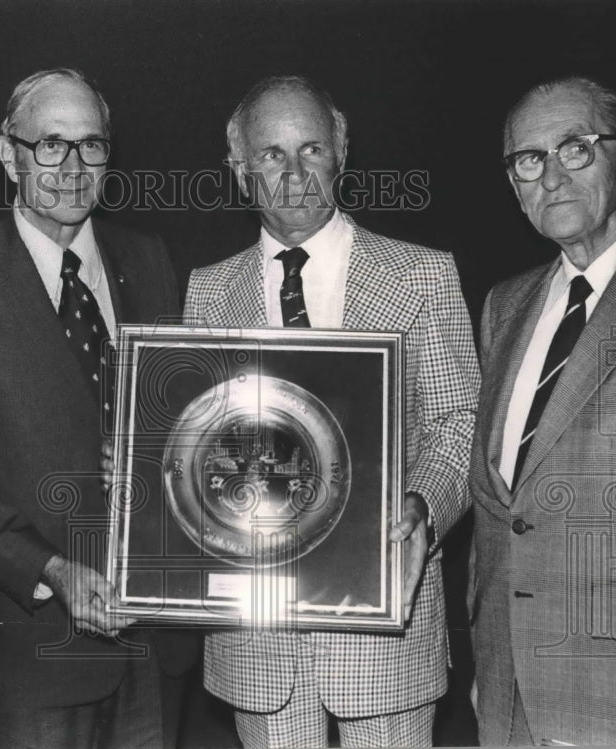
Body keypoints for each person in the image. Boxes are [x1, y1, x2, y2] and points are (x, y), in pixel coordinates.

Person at [183, 75, 480, 748]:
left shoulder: (423, 275)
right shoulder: (207, 291)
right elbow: (197, 447)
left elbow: (459, 422)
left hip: (385, 628)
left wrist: (421, 507)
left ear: (341, 152)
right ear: (238, 168)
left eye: (311, 148)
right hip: (254, 640)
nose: (293, 173)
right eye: (270, 154)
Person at [0, 68, 196, 749]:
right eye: (50, 144)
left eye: (91, 146)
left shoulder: (151, 261)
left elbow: (185, 426)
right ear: (7, 154)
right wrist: (53, 570)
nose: (72, 166)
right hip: (27, 654)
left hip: (154, 647)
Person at [468, 76, 616, 745]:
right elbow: (500, 505)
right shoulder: (505, 304)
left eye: (576, 148)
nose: (551, 174)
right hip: (506, 692)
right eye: (528, 159)